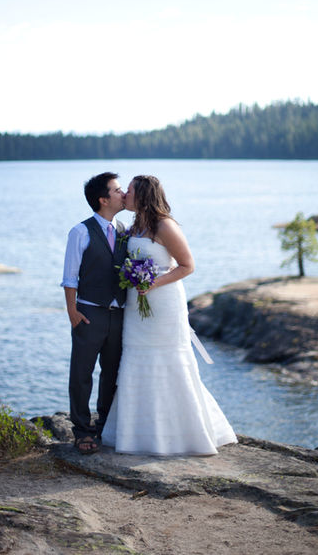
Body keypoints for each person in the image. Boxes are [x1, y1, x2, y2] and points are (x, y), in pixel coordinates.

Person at [102, 175, 237, 455]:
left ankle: (181, 435)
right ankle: (138, 435)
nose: (125, 194)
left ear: (144, 195)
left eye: (130, 190)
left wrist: (152, 283)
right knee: (137, 357)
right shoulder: (134, 226)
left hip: (163, 304)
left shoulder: (165, 225)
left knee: (168, 359)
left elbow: (187, 266)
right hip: (136, 308)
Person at [62, 172, 128, 454]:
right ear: (103, 199)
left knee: (112, 374)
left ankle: (104, 428)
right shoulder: (80, 231)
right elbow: (70, 277)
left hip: (119, 315)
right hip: (89, 313)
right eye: (117, 190)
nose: (123, 193)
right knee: (82, 374)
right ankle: (81, 430)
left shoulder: (125, 229)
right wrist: (72, 312)